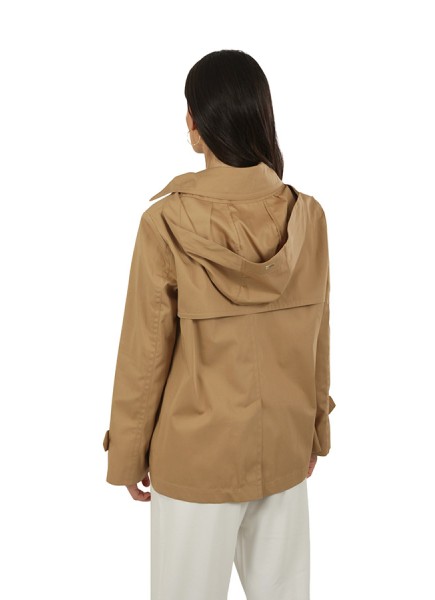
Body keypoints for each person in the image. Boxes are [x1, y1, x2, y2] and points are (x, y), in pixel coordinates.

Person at [103, 49, 336, 600]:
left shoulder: (165, 221)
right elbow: (316, 338)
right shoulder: (307, 216)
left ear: (196, 122)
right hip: (284, 452)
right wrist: (315, 430)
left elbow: (145, 353)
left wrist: (128, 454)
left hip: (196, 462)